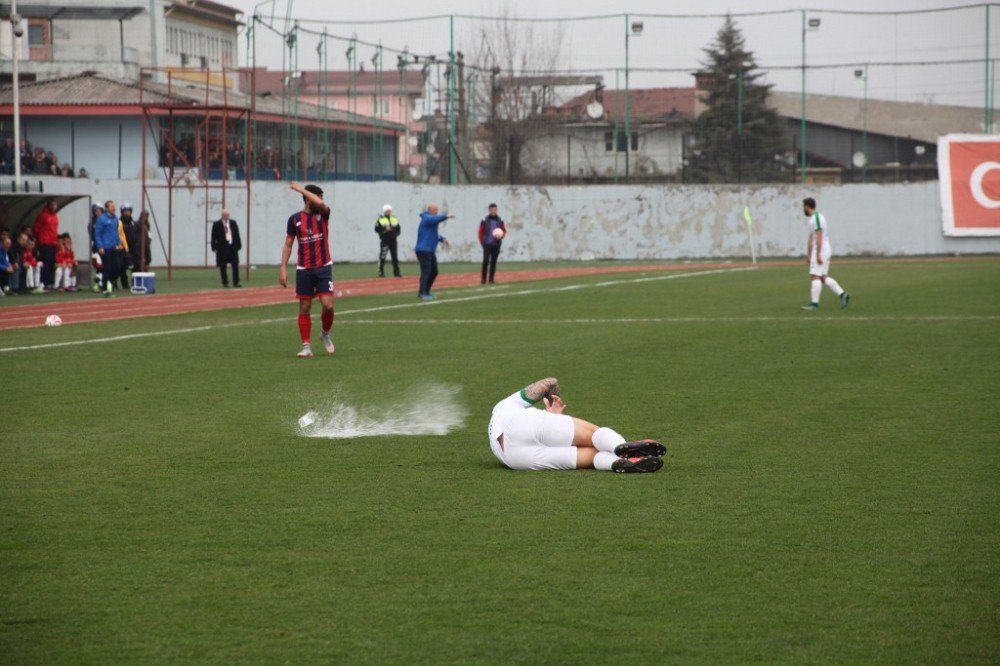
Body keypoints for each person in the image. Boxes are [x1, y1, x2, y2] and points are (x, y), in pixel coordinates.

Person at [489, 377, 666, 473]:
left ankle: (617, 463)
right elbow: (548, 383)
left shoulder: (500, 416)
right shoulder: (503, 406)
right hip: (521, 426)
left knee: (590, 457)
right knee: (594, 435)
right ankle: (620, 446)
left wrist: (553, 417)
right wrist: (552, 401)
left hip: (514, 458)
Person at [279, 182, 335, 358]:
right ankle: (306, 346)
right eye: (318, 197)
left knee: (328, 305)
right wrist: (283, 268)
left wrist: (300, 189)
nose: (321, 201)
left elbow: (320, 204)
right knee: (305, 306)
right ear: (309, 200)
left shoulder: (324, 214)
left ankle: (325, 333)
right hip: (304, 269)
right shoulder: (294, 219)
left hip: (324, 267)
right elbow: (288, 244)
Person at [801, 197, 850, 311]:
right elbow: (810, 239)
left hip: (821, 249)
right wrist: (808, 256)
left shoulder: (817, 218)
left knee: (814, 276)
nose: (803, 209)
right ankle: (843, 294)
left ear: (807, 206)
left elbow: (819, 236)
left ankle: (814, 304)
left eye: (803, 207)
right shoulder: (813, 219)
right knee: (822, 277)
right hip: (822, 249)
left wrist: (818, 254)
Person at [415, 203, 453, 300]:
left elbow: (434, 234)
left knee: (434, 271)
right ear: (430, 210)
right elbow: (433, 219)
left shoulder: (431, 221)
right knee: (426, 271)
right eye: (435, 210)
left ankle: (426, 291)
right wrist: (446, 216)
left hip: (429, 250)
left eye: (437, 210)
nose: (436, 212)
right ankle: (422, 293)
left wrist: (442, 239)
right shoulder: (426, 218)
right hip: (423, 250)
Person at [94, 200, 123, 297]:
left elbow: (116, 233)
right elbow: (97, 234)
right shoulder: (101, 219)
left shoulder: (115, 219)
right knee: (107, 268)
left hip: (114, 247)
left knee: (117, 267)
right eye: (111, 206)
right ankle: (105, 289)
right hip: (105, 248)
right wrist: (100, 246)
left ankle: (106, 281)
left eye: (114, 206)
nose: (113, 208)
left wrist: (119, 243)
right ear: (106, 208)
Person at [211, 209, 242, 288]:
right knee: (222, 265)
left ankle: (236, 282)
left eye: (227, 215)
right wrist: (214, 247)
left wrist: (239, 245)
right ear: (222, 215)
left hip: (232, 247)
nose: (226, 217)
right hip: (222, 248)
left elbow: (237, 234)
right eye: (224, 215)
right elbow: (213, 236)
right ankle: (225, 282)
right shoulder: (216, 224)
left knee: (235, 264)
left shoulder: (233, 223)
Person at [32, 198, 59, 289]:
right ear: (48, 205)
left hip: (53, 243)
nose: (54, 206)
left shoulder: (55, 216)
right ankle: (42, 282)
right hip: (45, 243)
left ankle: (49, 282)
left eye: (55, 205)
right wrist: (41, 238)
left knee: (51, 263)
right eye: (52, 205)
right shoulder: (43, 215)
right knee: (45, 263)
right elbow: (36, 228)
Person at [478, 203, 507, 285]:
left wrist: (501, 236)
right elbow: (480, 231)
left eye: (495, 210)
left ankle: (491, 279)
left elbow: (504, 230)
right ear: (489, 210)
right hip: (487, 244)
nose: (494, 211)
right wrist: (482, 242)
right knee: (486, 261)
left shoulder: (500, 220)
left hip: (496, 244)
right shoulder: (484, 219)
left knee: (493, 262)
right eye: (492, 210)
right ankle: (483, 279)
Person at [375, 203, 402, 278]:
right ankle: (381, 272)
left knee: (395, 257)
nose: (388, 212)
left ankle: (397, 272)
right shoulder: (380, 219)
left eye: (389, 210)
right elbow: (377, 229)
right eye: (387, 211)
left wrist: (395, 234)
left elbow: (398, 229)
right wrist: (384, 230)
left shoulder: (394, 218)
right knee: (383, 256)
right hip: (385, 240)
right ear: (384, 211)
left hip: (393, 240)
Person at [117, 204, 134, 290]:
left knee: (134, 267)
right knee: (121, 267)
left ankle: (135, 283)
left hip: (132, 248)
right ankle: (124, 284)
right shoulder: (119, 222)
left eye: (129, 211)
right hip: (122, 247)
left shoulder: (133, 223)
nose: (127, 213)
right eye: (125, 211)